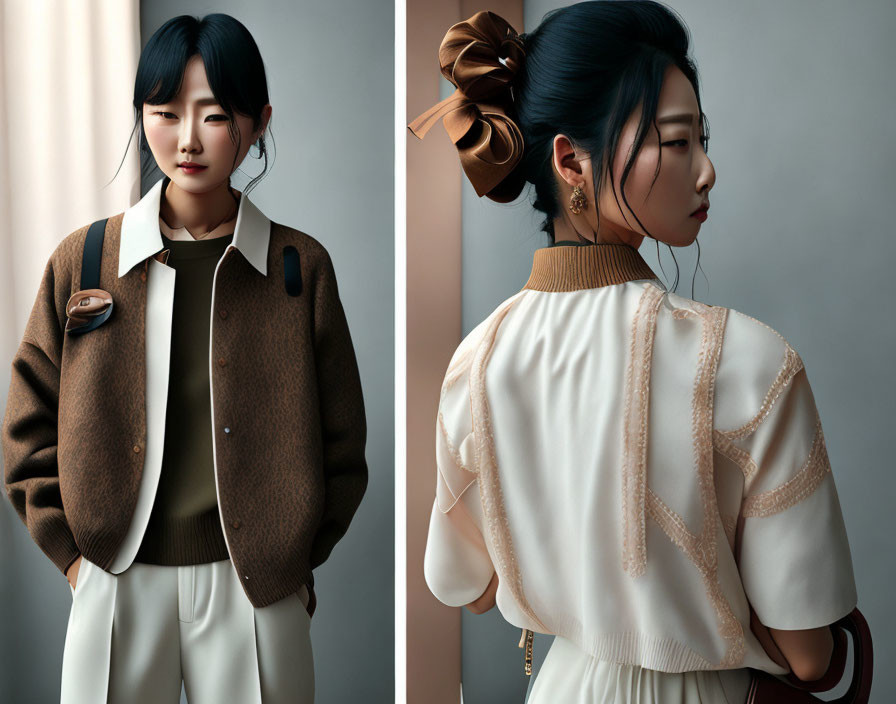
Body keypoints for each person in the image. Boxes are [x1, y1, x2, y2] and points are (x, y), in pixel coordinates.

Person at [409, 3, 857, 703]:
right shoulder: (748, 361)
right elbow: (809, 655)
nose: (707, 171)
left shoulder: (478, 362)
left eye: (700, 140)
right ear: (570, 160)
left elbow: (463, 584)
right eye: (677, 143)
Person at [2, 13, 368, 704]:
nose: (188, 139)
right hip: (114, 578)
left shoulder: (298, 267)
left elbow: (343, 444)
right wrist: (75, 560)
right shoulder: (83, 261)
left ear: (257, 122)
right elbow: (26, 425)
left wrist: (286, 558)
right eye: (165, 112)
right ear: (142, 116)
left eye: (215, 115)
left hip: (254, 586)